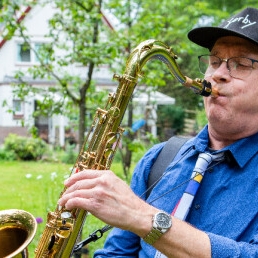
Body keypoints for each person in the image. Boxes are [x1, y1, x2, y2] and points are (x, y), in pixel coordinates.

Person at [58, 7, 258, 258]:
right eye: (215, 61)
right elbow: (117, 253)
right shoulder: (158, 159)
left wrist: (142, 217)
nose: (217, 74)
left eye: (239, 64)